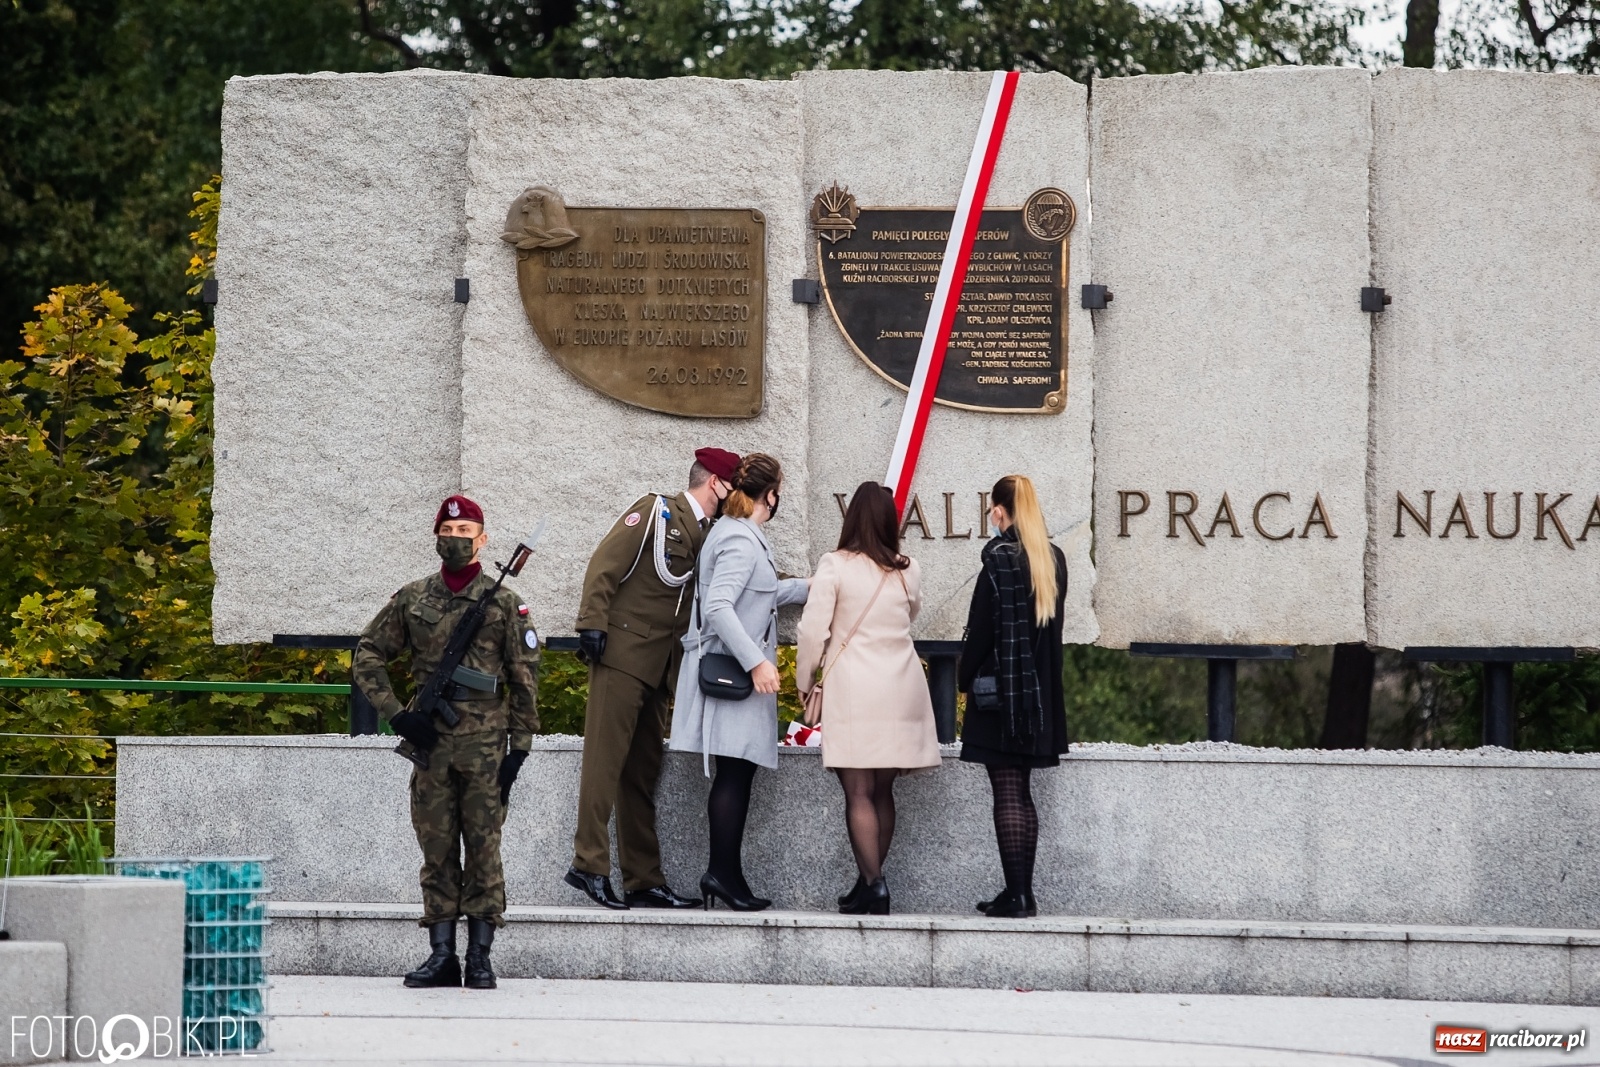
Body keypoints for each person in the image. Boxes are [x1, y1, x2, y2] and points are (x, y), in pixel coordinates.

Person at [354, 494, 541, 989]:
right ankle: (442, 956)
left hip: (485, 749)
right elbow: (368, 654)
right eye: (449, 532)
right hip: (431, 744)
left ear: (483, 540)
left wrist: (518, 751)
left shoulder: (503, 602)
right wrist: (397, 716)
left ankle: (480, 956)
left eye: (466, 533)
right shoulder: (414, 598)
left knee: (484, 850)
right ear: (436, 536)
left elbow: (524, 678)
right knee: (436, 850)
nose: (456, 541)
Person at [566, 447, 741, 910]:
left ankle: (644, 880)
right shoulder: (655, 511)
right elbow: (605, 563)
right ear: (715, 484)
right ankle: (588, 865)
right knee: (603, 766)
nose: (735, 497)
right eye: (733, 487)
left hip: (661, 668)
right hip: (623, 655)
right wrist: (592, 624)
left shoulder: (710, 536)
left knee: (640, 776)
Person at [669, 453, 808, 910]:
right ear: (769, 493)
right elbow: (719, 608)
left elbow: (762, 593)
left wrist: (814, 585)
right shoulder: (739, 540)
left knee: (738, 773)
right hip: (733, 677)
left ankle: (726, 874)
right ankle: (722, 875)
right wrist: (756, 663)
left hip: (735, 678)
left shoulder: (739, 535)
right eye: (778, 489)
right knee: (734, 774)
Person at [796, 482, 941, 916]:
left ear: (851, 518)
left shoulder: (835, 565)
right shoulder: (907, 568)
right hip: (901, 684)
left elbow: (811, 630)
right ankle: (866, 882)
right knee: (882, 789)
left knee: (857, 790)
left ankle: (875, 884)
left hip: (855, 686)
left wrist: (806, 679)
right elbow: (910, 613)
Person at [957, 475, 1069, 919]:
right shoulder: (1052, 558)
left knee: (1007, 791)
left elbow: (981, 633)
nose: (990, 517)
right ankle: (1020, 891)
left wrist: (964, 678)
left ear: (1001, 510)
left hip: (1001, 697)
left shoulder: (1000, 560)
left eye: (991, 509)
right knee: (1021, 792)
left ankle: (1019, 895)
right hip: (1037, 697)